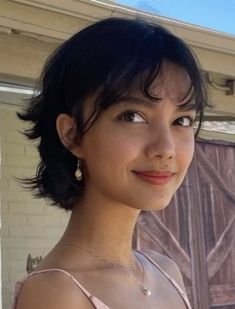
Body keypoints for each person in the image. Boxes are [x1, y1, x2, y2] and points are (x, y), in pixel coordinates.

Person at [13, 17, 208, 308]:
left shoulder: (166, 271)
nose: (166, 149)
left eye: (181, 120)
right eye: (133, 116)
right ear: (72, 134)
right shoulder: (57, 293)